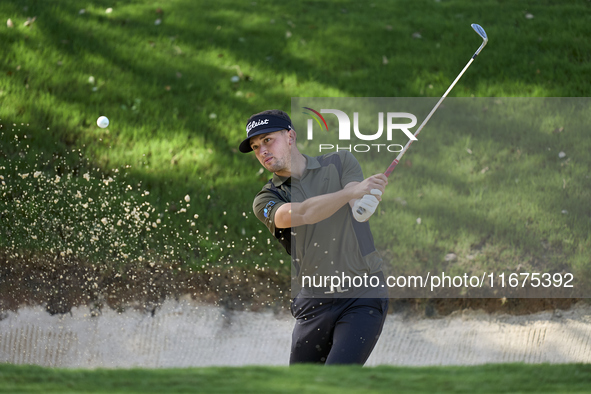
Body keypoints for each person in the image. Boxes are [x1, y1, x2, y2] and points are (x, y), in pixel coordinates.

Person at [240, 109, 390, 365]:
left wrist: (365, 200)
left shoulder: (340, 162)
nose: (262, 151)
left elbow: (355, 197)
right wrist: (350, 196)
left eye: (267, 140)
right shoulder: (266, 199)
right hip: (313, 302)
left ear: (290, 136)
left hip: (361, 294)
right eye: (255, 147)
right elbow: (304, 213)